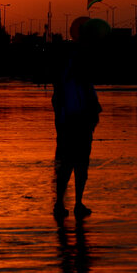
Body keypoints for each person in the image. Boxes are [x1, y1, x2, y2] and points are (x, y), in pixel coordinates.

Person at [51, 44, 102, 220]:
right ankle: (62, 204)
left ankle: (74, 203)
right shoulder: (65, 85)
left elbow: (96, 108)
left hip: (77, 130)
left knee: (76, 169)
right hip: (71, 130)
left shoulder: (82, 85)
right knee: (68, 169)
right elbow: (58, 106)